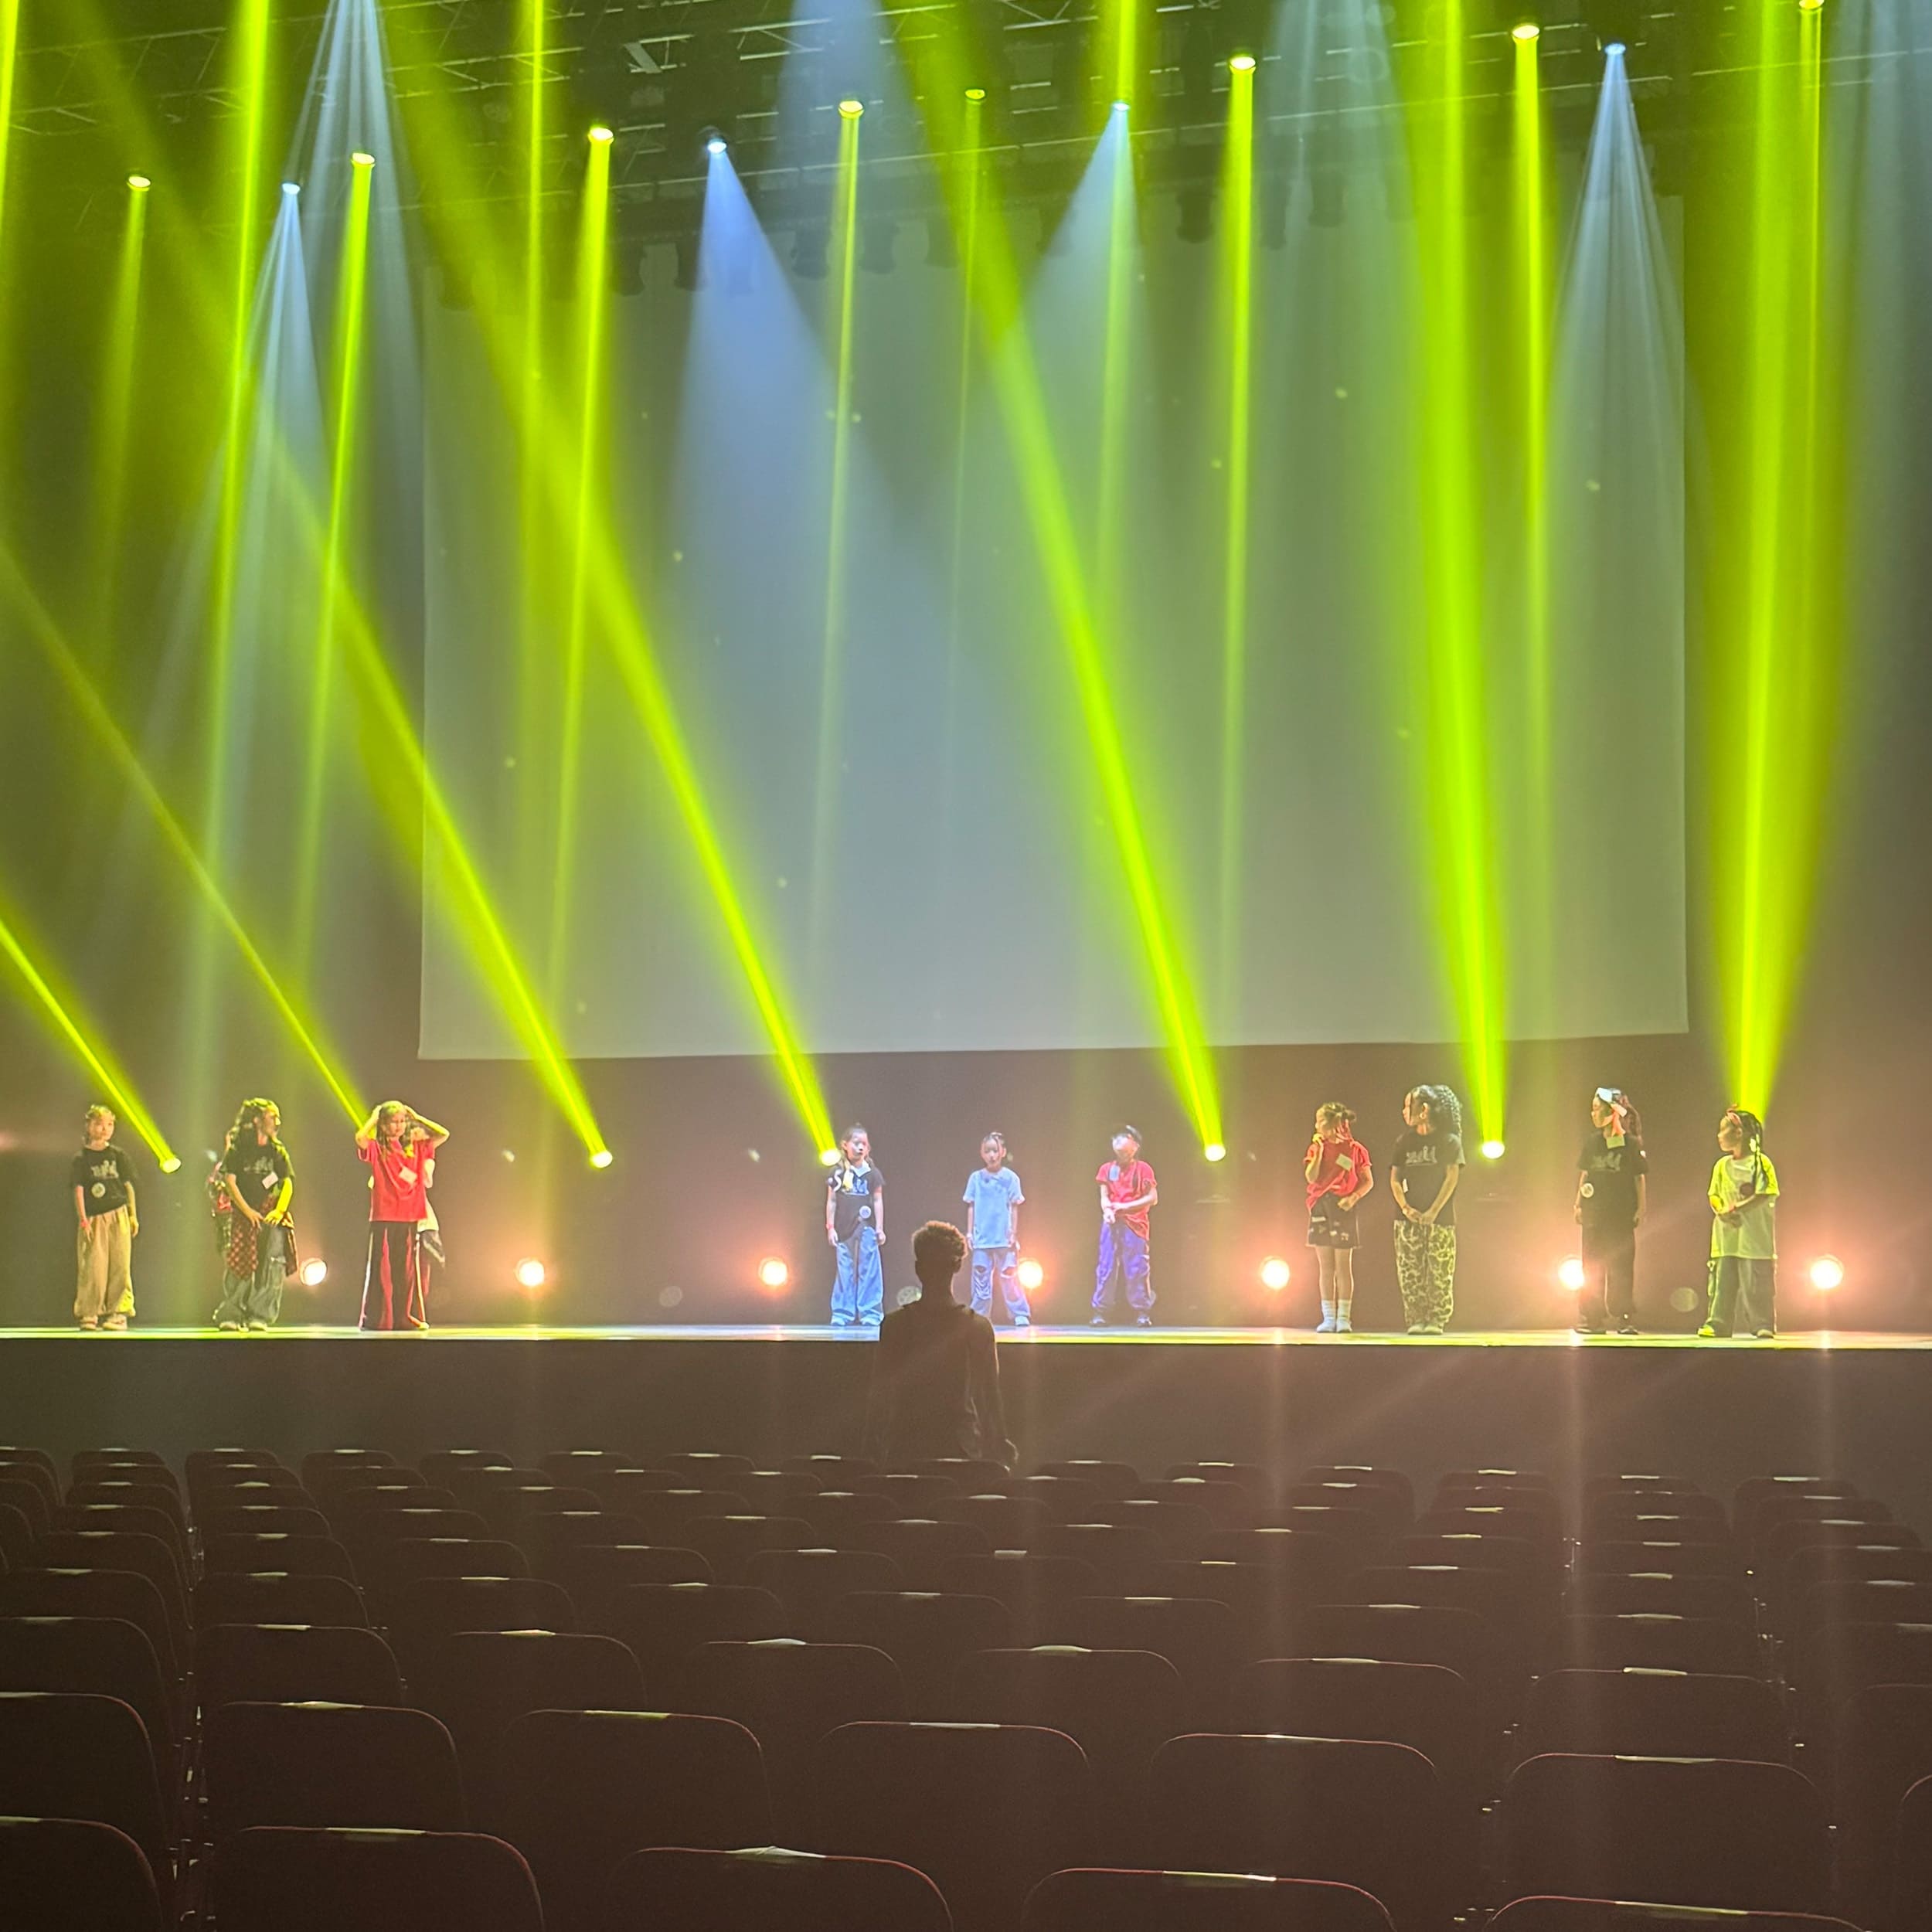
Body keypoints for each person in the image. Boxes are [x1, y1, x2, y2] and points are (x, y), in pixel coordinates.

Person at [863, 1220, 1015, 1468]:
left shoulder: (895, 1325)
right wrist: (1000, 1443)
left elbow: (879, 1395)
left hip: (905, 1449)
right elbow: (990, 1396)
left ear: (918, 1268)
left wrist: (871, 1447)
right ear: (957, 1266)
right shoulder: (977, 1327)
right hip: (961, 1449)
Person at [355, 1101, 450, 1332]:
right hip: (384, 1215)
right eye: (392, 1122)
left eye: (401, 1122)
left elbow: (443, 1134)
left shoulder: (416, 1147)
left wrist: (416, 1117)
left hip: (410, 1215)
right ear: (384, 1125)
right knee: (382, 1270)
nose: (398, 1126)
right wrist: (375, 1118)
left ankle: (403, 1317)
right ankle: (378, 1318)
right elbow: (360, 1138)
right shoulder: (379, 1148)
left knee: (405, 1272)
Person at [214, 1098, 298, 1332]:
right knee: (240, 1262)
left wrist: (279, 1210)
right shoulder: (239, 1149)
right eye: (273, 1117)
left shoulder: (277, 1151)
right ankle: (232, 1313)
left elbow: (287, 1183)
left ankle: (260, 1315)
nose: (277, 1122)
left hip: (270, 1213)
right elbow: (230, 1181)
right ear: (257, 1120)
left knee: (272, 1263)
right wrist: (247, 1211)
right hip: (243, 1212)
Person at [1389, 1084, 1464, 1335]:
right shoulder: (1404, 1142)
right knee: (1410, 1270)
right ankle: (1416, 1318)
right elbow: (1395, 1179)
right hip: (1407, 1218)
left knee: (1439, 1271)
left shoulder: (1449, 1142)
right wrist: (1405, 1207)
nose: (1403, 1111)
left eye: (1407, 1105)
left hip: (1440, 1219)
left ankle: (1436, 1319)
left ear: (1423, 1110)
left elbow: (1451, 1178)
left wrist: (1433, 1211)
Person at [1574, 1087, 1648, 1335]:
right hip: (1594, 1213)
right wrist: (1577, 1203)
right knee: (1592, 1265)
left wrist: (1641, 1207)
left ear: (1611, 1112)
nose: (1593, 1114)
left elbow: (1639, 1177)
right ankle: (1592, 1317)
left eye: (1597, 1109)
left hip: (1620, 1214)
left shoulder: (1630, 1144)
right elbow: (1585, 1173)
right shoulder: (1592, 1142)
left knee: (1621, 1266)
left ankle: (1623, 1316)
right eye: (1592, 1109)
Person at [1702, 1107, 1780, 1339]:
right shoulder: (1722, 1165)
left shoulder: (1761, 1163)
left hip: (1754, 1236)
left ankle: (1762, 1323)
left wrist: (1736, 1209)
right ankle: (1718, 1324)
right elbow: (1713, 1193)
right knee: (1722, 1283)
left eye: (1723, 1129)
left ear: (1739, 1133)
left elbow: (1765, 1193)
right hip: (1726, 1236)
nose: (1719, 1135)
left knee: (1756, 1283)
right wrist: (1720, 1210)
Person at [1304, 1103, 1374, 1333]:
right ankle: (1328, 1317)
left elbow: (1368, 1181)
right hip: (1321, 1206)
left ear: (1332, 1124)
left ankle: (1344, 1317)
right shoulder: (1316, 1148)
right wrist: (1318, 1153)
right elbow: (1311, 1177)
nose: (1316, 1126)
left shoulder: (1355, 1149)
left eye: (1319, 1121)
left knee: (1343, 1265)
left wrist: (1353, 1198)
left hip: (1343, 1206)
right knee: (1325, 1266)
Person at [72, 1104, 138, 1332]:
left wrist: (133, 1215)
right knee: (94, 1267)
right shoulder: (82, 1158)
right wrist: (83, 1219)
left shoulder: (118, 1156)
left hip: (118, 1213)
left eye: (109, 1124)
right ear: (89, 1126)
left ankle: (119, 1312)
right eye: (99, 1124)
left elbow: (128, 1186)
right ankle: (89, 1312)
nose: (105, 1129)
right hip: (94, 1217)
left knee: (120, 1264)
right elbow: (79, 1189)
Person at [1092, 1125, 1158, 1328]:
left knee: (1137, 1268)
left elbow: (1152, 1198)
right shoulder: (1106, 1169)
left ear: (1135, 1146)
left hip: (1135, 1225)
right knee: (1106, 1266)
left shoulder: (1143, 1169)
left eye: (1125, 1137)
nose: (1119, 1140)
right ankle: (1100, 1311)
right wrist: (1108, 1211)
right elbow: (1104, 1196)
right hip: (1112, 1224)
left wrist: (1125, 1207)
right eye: (1117, 1137)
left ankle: (1142, 1311)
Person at [962, 1131, 1029, 1326]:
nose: (991, 1155)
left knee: (1009, 1275)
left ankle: (1019, 1312)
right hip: (982, 1237)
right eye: (987, 1151)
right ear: (982, 1153)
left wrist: (1013, 1233)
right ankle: (979, 1314)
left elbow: (1014, 1207)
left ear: (1003, 1152)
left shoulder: (1011, 1178)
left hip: (1003, 1237)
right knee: (981, 1277)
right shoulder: (976, 1178)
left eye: (995, 1151)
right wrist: (969, 1233)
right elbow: (971, 1206)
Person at [826, 1124, 886, 1328]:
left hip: (867, 1228)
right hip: (844, 1228)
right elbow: (832, 1201)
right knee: (845, 1270)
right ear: (845, 1145)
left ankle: (870, 1312)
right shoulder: (838, 1172)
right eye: (856, 1143)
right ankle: (842, 1312)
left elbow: (877, 1200)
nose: (860, 1147)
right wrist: (831, 1228)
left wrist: (880, 1228)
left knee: (869, 1269)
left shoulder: (873, 1174)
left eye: (864, 1144)